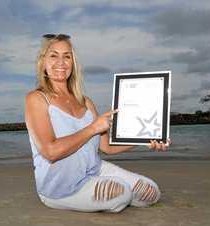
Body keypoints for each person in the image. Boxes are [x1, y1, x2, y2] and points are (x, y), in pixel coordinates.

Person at [25, 34, 171, 213]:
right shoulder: (37, 99)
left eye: (67, 56)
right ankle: (98, 195)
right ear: (43, 62)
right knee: (122, 193)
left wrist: (147, 138)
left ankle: (103, 192)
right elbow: (50, 152)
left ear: (73, 63)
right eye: (53, 55)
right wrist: (93, 127)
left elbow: (107, 147)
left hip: (95, 170)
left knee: (151, 191)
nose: (61, 62)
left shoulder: (85, 102)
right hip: (60, 186)